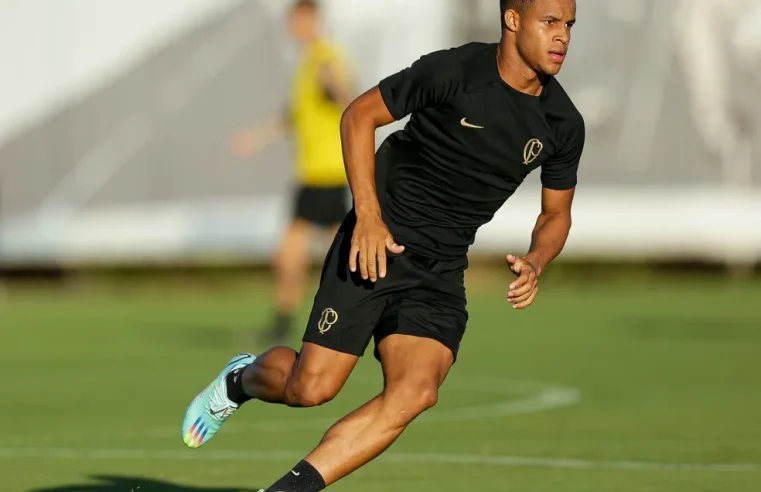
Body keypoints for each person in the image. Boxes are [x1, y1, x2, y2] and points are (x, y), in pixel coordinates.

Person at [183, 0, 585, 490]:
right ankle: (240, 381)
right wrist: (369, 218)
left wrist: (538, 259)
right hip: (375, 244)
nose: (562, 36)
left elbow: (555, 214)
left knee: (416, 391)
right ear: (513, 20)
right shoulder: (454, 70)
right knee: (311, 388)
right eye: (550, 22)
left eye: (568, 24)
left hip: (439, 271)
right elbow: (358, 117)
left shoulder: (563, 122)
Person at [231, 0, 355, 345]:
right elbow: (292, 115)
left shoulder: (325, 56)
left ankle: (301, 321)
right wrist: (255, 139)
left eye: (298, 21)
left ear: (313, 20)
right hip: (314, 174)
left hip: (327, 173)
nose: (292, 29)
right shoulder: (307, 62)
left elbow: (343, 94)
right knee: (330, 254)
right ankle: (322, 318)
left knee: (297, 253)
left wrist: (338, 89)